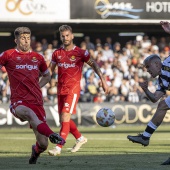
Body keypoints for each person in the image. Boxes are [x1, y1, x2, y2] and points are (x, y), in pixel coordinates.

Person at [0, 27, 65, 164]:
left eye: (28, 38)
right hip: (19, 102)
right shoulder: (8, 55)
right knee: (29, 114)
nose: (26, 41)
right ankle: (52, 134)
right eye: (23, 38)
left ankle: (35, 152)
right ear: (16, 40)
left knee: (43, 144)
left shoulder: (38, 57)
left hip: (36, 101)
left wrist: (37, 87)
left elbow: (47, 76)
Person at [48, 25, 109, 156]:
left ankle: (58, 147)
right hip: (60, 90)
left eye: (67, 35)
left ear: (72, 36)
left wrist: (103, 80)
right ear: (60, 37)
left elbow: (94, 64)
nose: (65, 38)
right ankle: (80, 138)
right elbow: (49, 72)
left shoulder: (81, 53)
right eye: (63, 36)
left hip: (73, 90)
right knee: (64, 120)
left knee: (65, 116)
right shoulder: (56, 53)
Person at [127, 21, 170, 165]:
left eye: (148, 67)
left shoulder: (168, 63)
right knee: (163, 104)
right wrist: (145, 90)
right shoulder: (161, 80)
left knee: (164, 104)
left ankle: (145, 137)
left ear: (157, 64)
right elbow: (155, 99)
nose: (146, 70)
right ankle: (145, 137)